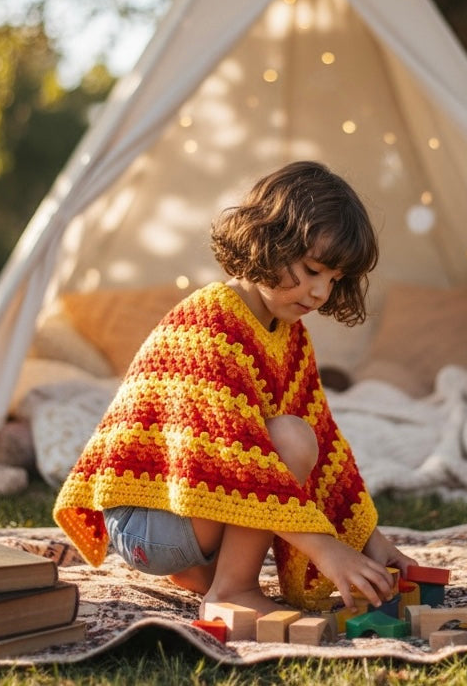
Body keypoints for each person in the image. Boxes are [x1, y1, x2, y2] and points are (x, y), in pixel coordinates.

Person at [53, 160, 416, 617]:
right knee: (285, 440)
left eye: (334, 280)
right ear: (269, 242)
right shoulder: (211, 323)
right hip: (145, 518)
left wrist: (370, 542)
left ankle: (201, 572)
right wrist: (325, 549)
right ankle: (232, 590)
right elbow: (235, 457)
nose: (321, 291)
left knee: (304, 435)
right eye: (311, 269)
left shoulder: (289, 335)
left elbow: (326, 449)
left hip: (185, 509)